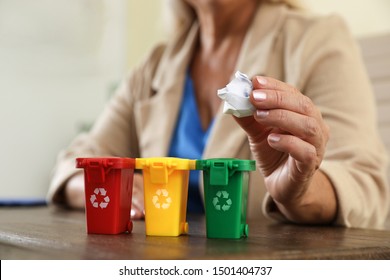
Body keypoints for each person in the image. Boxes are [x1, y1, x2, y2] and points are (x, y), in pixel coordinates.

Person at [47, 0, 390, 228]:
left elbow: (367, 186)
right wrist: (115, 188)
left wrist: (302, 191)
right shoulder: (155, 66)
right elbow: (75, 163)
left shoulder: (317, 40)